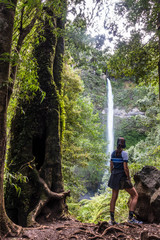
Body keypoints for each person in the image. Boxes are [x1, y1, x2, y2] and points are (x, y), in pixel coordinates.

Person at [108, 137, 142, 225]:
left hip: (114, 176)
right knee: (135, 195)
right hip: (122, 177)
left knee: (114, 198)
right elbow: (125, 168)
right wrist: (128, 178)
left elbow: (111, 166)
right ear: (124, 145)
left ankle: (112, 220)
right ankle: (130, 218)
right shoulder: (124, 154)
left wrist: (113, 174)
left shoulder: (112, 153)